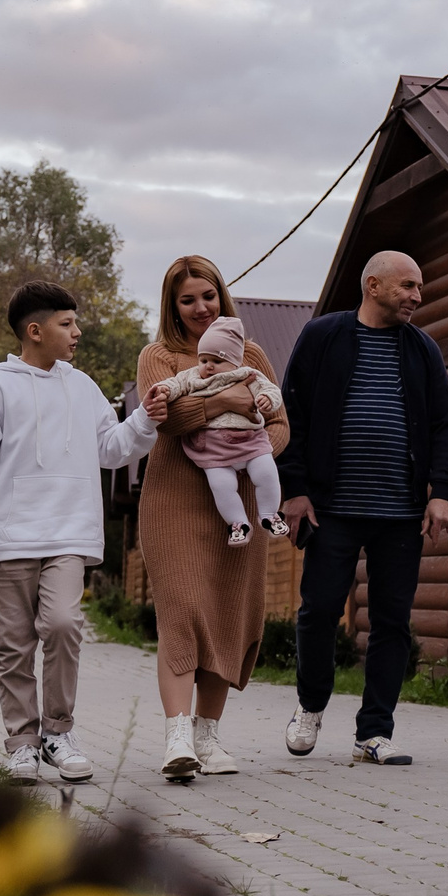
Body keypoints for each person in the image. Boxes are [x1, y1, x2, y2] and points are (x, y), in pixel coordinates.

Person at [0, 280, 166, 784]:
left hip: (69, 534)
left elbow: (110, 449)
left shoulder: (82, 387)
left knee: (64, 625)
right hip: (6, 538)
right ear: (35, 331)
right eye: (67, 324)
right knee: (14, 646)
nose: (77, 332)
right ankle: (22, 744)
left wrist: (144, 419)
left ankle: (58, 733)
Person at [276, 249, 448, 765]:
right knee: (318, 611)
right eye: (408, 286)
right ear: (373, 286)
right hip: (331, 508)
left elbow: (443, 425)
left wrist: (442, 492)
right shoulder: (323, 336)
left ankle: (374, 732)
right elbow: (292, 415)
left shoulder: (422, 349)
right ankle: (311, 705)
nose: (417, 296)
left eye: (419, 287)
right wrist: (295, 488)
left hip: (400, 512)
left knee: (392, 621)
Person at [136, 257, 291, 780]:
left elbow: (278, 422)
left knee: (227, 610)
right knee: (182, 609)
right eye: (188, 300)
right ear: (172, 306)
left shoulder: (251, 354)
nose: (201, 307)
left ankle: (207, 736)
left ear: (222, 295)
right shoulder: (158, 356)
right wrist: (225, 398)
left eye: (208, 295)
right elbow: (168, 419)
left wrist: (254, 454)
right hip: (174, 501)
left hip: (239, 499)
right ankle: (177, 736)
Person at [151, 316, 288, 547]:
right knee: (221, 488)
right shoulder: (192, 376)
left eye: (216, 360)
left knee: (267, 474)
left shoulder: (247, 375)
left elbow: (271, 390)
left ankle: (269, 514)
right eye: (203, 359)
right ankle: (238, 524)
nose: (208, 366)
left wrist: (266, 398)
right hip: (213, 450)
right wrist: (165, 389)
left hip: (250, 443)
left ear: (234, 362)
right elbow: (176, 384)